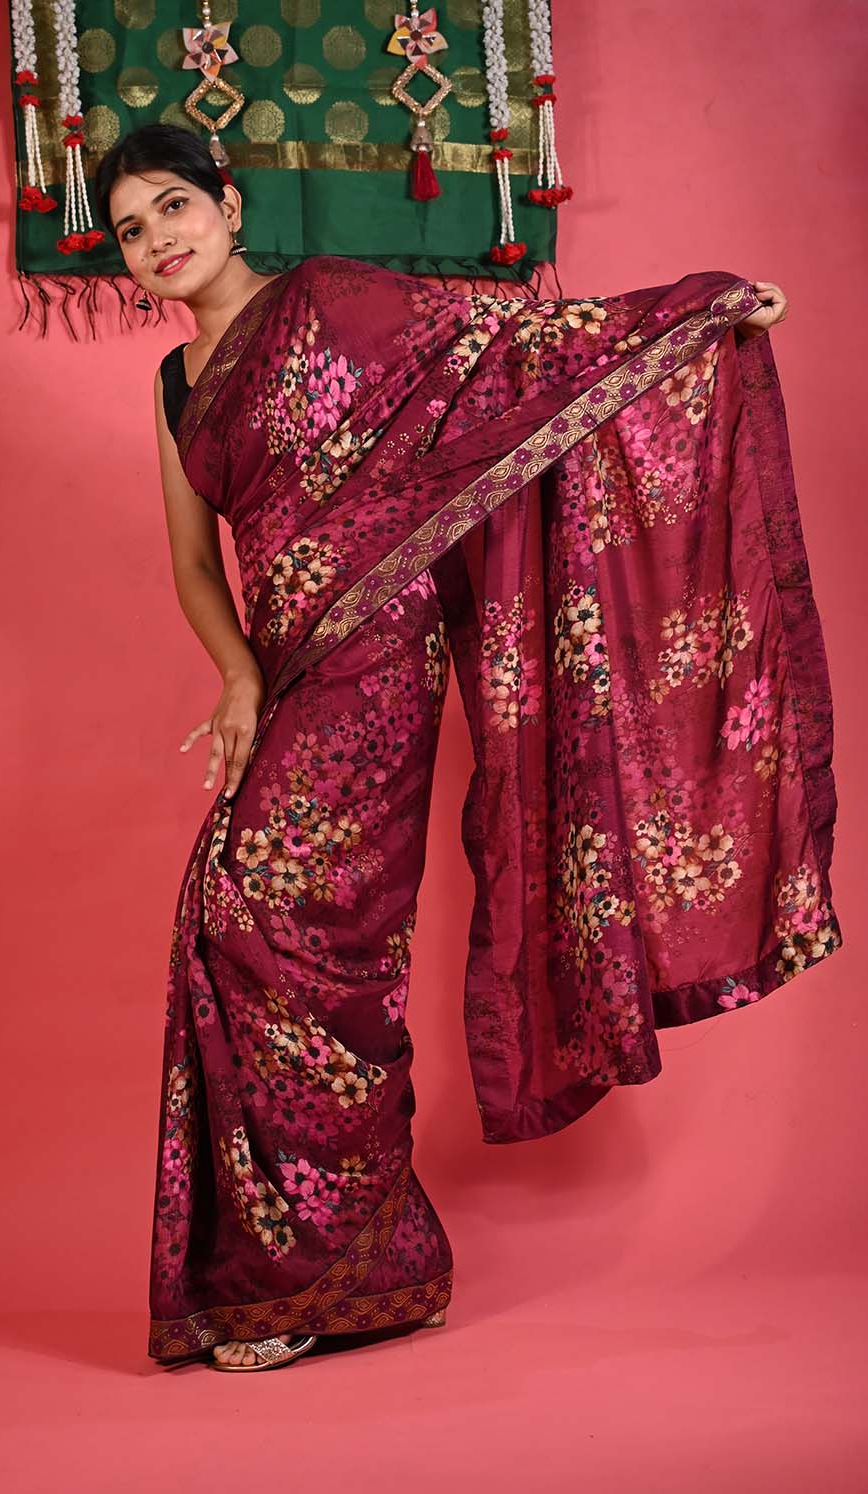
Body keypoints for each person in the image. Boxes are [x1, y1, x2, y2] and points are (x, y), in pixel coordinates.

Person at [93, 124, 840, 1374]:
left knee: (279, 926)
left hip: (379, 662)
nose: (159, 238)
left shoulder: (328, 301)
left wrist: (691, 314)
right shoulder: (175, 385)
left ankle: (324, 1272)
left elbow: (514, 346)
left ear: (227, 205)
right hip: (288, 671)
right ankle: (354, 1268)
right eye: (131, 228)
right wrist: (235, 675)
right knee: (240, 935)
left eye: (175, 205)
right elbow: (192, 565)